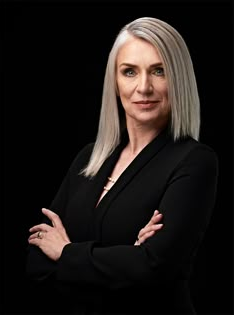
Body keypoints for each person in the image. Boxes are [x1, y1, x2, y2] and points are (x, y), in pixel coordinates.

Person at [26, 17, 218, 314]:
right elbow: (36, 261)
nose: (144, 87)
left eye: (159, 71)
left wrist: (64, 253)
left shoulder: (194, 161)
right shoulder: (89, 158)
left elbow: (153, 268)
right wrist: (128, 258)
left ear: (178, 79)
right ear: (114, 83)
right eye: (129, 72)